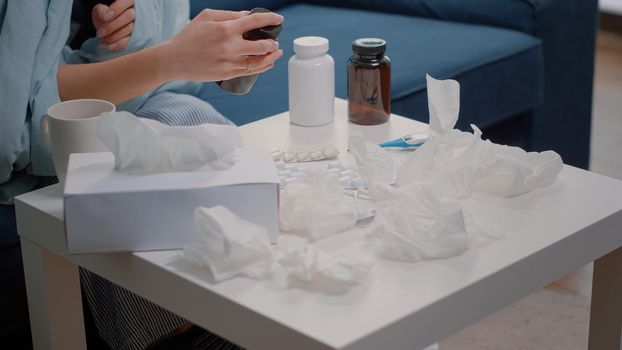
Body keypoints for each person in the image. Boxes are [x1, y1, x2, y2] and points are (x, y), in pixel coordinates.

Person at [0, 0, 283, 349]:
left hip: (144, 94)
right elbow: (20, 106)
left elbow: (164, 25)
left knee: (193, 121)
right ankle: (185, 333)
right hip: (60, 123)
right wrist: (169, 59)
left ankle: (246, 312)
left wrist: (139, 25)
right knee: (106, 180)